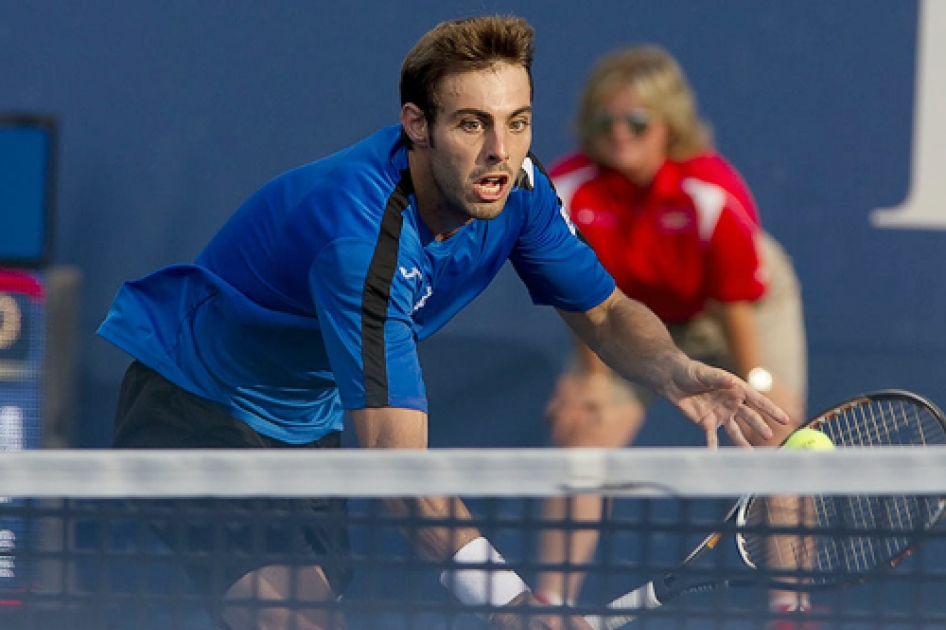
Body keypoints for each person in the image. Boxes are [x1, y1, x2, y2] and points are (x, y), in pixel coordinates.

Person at [98, 18, 789, 630]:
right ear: (417, 125)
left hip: (306, 422)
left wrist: (673, 368)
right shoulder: (360, 241)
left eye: (518, 121)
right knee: (289, 616)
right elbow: (395, 465)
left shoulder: (522, 191)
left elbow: (605, 312)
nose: (500, 150)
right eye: (472, 123)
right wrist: (511, 600)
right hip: (198, 402)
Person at [534, 45, 810, 627]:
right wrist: (591, 380)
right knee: (583, 429)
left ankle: (792, 607)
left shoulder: (712, 194)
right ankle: (549, 609)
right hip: (629, 320)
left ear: (669, 126)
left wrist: (753, 386)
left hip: (729, 313)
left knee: (773, 433)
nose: (620, 134)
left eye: (636, 122)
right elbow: (579, 297)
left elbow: (736, 308)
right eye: (605, 121)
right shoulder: (566, 191)